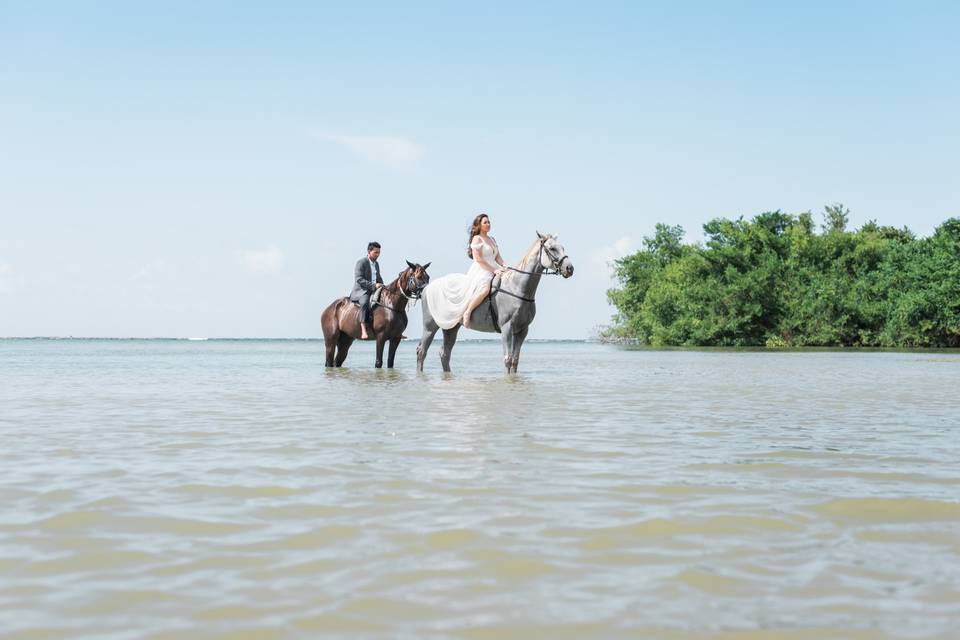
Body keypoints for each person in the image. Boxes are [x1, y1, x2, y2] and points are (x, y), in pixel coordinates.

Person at [423, 213, 507, 330]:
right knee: (485, 289)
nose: (488, 224)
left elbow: (498, 257)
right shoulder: (477, 238)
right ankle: (468, 311)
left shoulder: (492, 239)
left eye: (489, 222)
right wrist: (494, 270)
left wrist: (505, 266)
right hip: (482, 270)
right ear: (479, 225)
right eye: (485, 222)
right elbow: (479, 260)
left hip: (495, 269)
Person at [350, 241, 384, 339]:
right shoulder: (361, 262)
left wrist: (384, 287)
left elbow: (378, 277)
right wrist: (374, 286)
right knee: (365, 302)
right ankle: (363, 330)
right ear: (369, 251)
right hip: (361, 291)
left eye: (379, 253)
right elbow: (359, 279)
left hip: (374, 289)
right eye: (376, 252)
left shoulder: (376, 264)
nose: (378, 255)